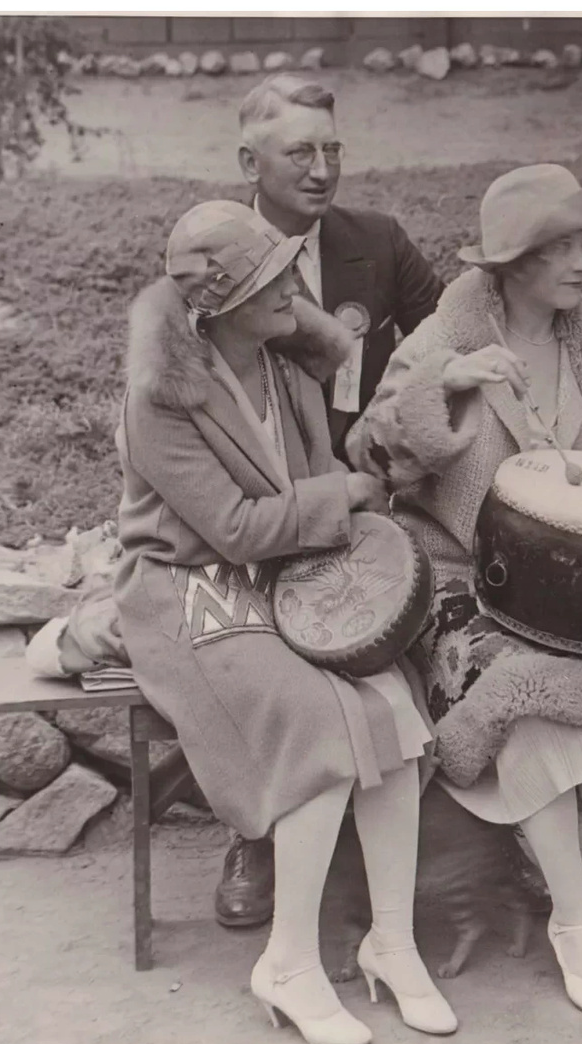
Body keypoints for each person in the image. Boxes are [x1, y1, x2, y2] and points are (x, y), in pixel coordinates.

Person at [345, 164, 582, 1020]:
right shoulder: (439, 341)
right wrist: (449, 388)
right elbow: (375, 454)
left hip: (579, 588)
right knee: (534, 684)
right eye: (561, 247)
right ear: (509, 261)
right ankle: (574, 914)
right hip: (459, 583)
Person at [115, 199, 456, 1044]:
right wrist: (334, 498)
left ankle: (392, 943)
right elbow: (228, 528)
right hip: (186, 591)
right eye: (268, 276)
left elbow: (304, 504)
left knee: (398, 711)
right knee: (319, 721)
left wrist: (346, 496)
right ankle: (289, 964)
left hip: (284, 574)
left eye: (286, 268)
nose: (292, 285)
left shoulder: (287, 367)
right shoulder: (159, 397)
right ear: (211, 304)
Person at [216, 71, 446, 931]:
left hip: (369, 497)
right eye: (298, 152)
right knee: (256, 645)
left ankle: (463, 847)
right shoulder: (213, 252)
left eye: (332, 150)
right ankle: (256, 833)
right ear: (250, 160)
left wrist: (400, 418)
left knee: (426, 616)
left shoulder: (376, 240)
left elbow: (445, 335)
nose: (321, 169)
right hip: (257, 506)